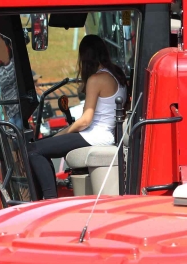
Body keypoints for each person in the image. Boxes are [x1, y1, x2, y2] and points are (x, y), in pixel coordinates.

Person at [27, 35, 127, 199]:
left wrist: (61, 133)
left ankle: (50, 200)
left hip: (95, 135)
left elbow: (86, 121)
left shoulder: (96, 79)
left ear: (85, 56)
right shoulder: (117, 74)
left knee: (34, 149)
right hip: (106, 134)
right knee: (42, 147)